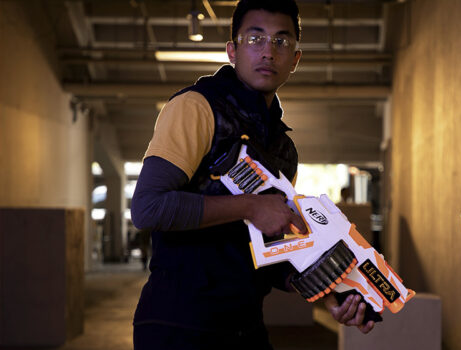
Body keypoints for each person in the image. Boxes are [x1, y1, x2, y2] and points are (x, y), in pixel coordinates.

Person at [131, 1, 374, 349]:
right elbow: (148, 208)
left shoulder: (282, 148)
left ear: (296, 59)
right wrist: (249, 206)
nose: (268, 52)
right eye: (255, 39)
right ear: (232, 50)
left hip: (244, 325)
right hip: (179, 325)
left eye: (281, 41)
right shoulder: (197, 107)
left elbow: (266, 248)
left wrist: (326, 292)